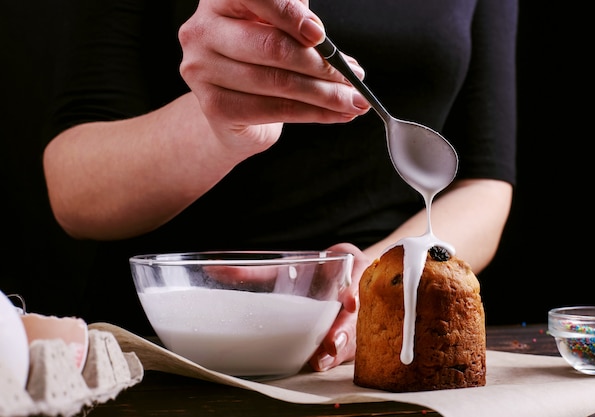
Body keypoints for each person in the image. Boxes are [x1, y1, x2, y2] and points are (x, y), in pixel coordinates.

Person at [41, 0, 517, 372]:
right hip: (161, 356)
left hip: (367, 359)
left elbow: (485, 185)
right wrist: (219, 127)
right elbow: (74, 193)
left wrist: (367, 284)